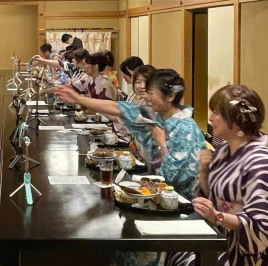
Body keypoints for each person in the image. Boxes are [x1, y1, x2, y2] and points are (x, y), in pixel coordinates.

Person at [55, 68, 205, 198]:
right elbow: (118, 108)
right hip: (154, 190)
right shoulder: (154, 114)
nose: (147, 97)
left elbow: (174, 179)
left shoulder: (186, 128)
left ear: (170, 97)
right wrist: (79, 99)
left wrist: (162, 144)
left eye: (152, 93)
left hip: (181, 201)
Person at [167, 85, 268, 266]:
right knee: (173, 249)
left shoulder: (259, 161)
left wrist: (218, 217)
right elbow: (212, 198)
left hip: (240, 253)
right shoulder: (223, 150)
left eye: (217, 113)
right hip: (218, 237)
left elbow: (259, 226)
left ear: (238, 119)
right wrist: (204, 172)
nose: (210, 118)